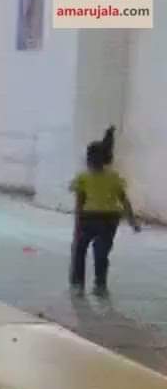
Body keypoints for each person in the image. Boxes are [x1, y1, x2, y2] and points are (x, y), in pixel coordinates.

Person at [69, 126, 141, 297]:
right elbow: (124, 200)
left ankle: (78, 283)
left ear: (88, 159)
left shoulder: (82, 177)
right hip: (110, 219)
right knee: (101, 252)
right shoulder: (114, 177)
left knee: (79, 249)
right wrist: (132, 221)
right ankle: (100, 284)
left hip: (89, 218)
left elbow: (80, 202)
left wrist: (77, 224)